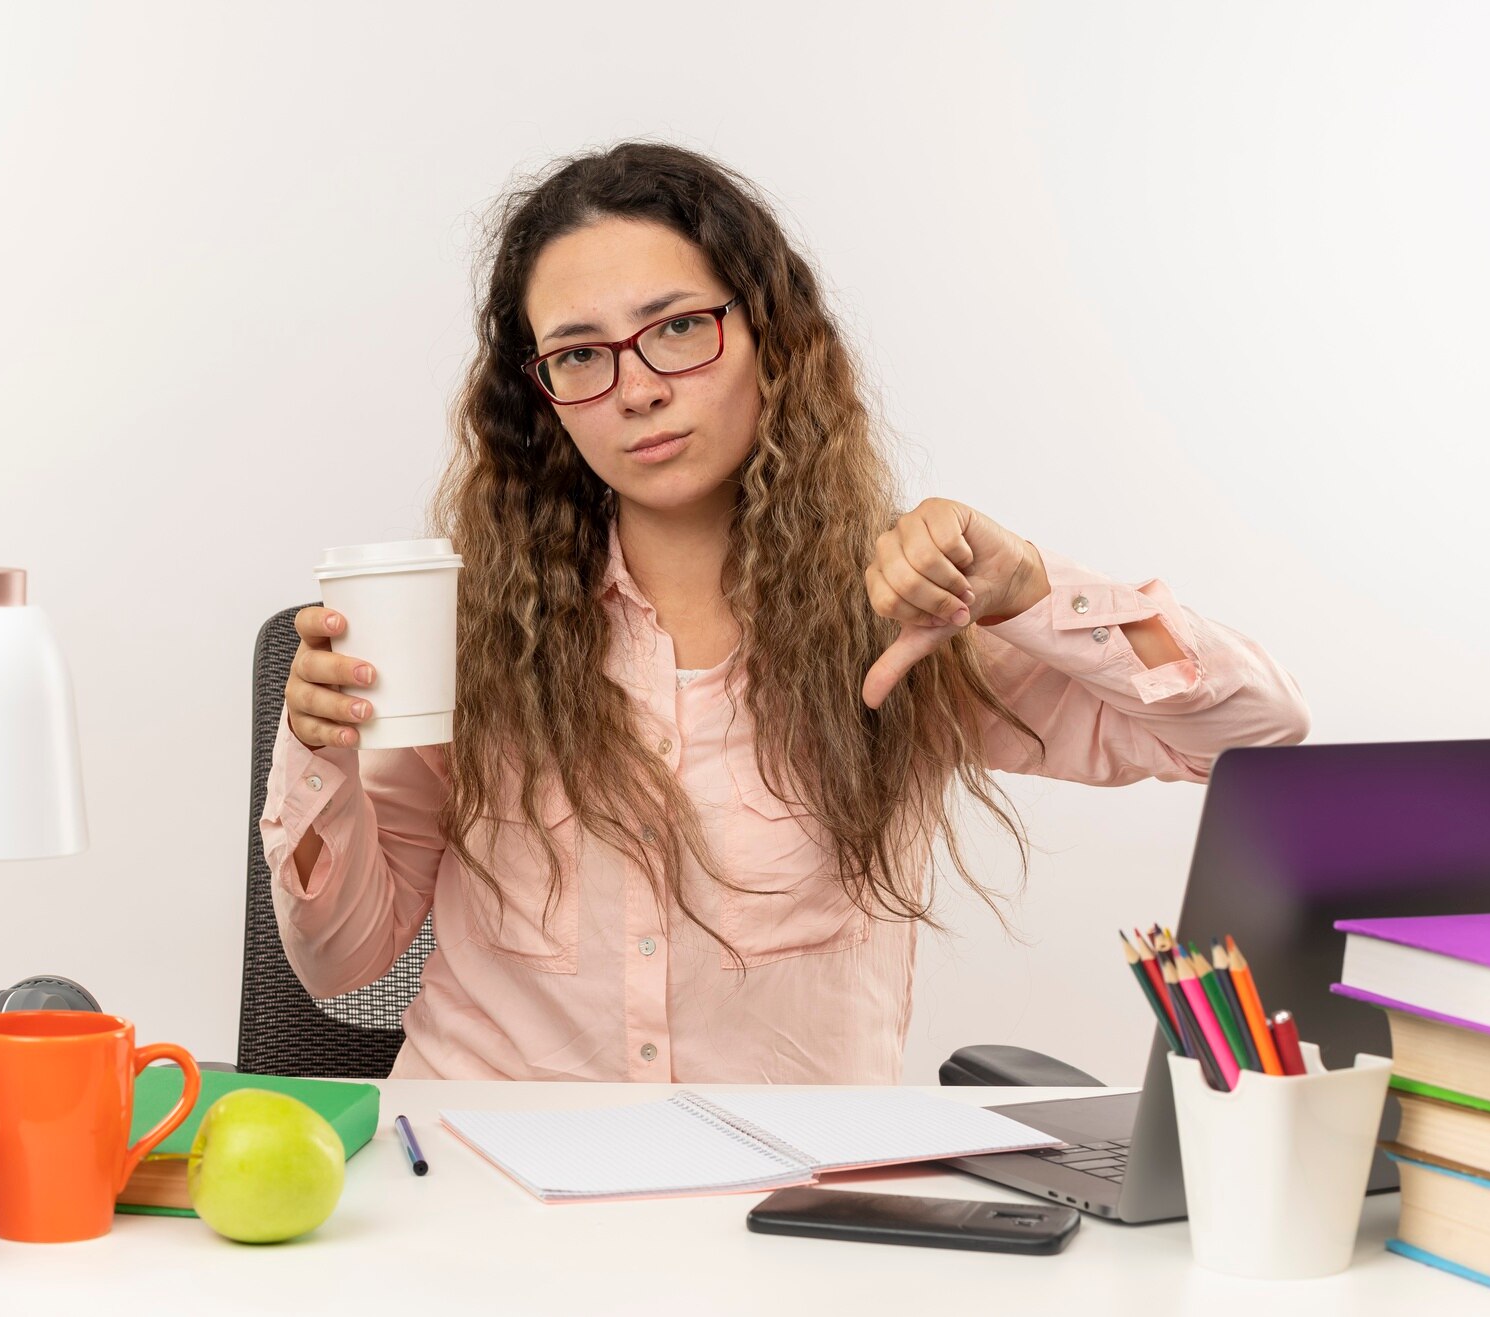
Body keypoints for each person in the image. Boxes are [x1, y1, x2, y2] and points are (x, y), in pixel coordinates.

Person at [259, 142, 1310, 1083]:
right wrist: (320, 755)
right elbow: (342, 963)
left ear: (772, 337)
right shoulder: (469, 634)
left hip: (772, 1205)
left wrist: (1032, 591)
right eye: (579, 354)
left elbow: (1248, 735)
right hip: (480, 1188)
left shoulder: (908, 613)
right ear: (539, 395)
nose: (634, 390)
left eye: (675, 329)